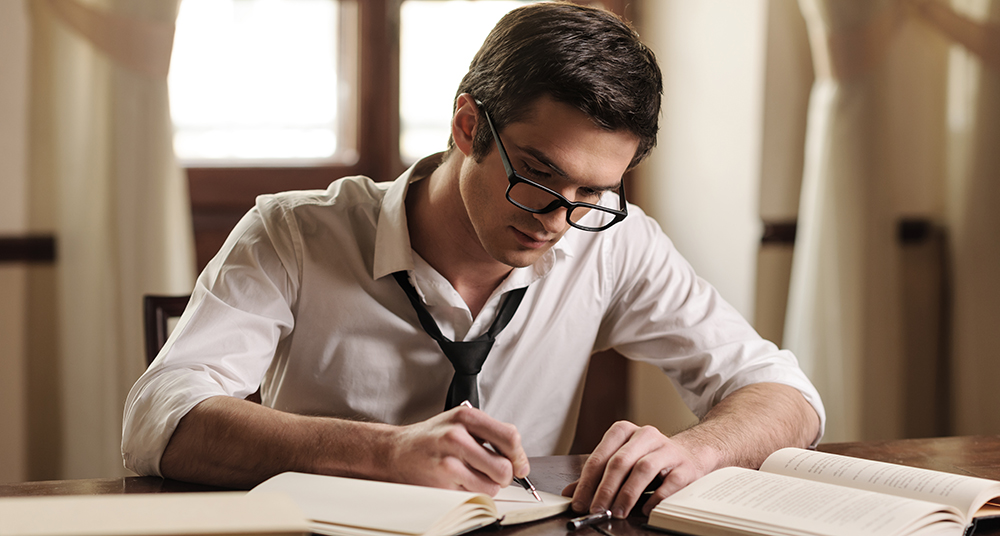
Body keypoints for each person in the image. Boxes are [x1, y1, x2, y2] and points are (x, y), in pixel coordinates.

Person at [123, 1, 824, 520]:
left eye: (591, 191)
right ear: (467, 125)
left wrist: (697, 451)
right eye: (539, 174)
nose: (557, 218)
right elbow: (159, 418)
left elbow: (786, 396)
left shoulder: (611, 239)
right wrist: (385, 453)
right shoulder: (294, 233)